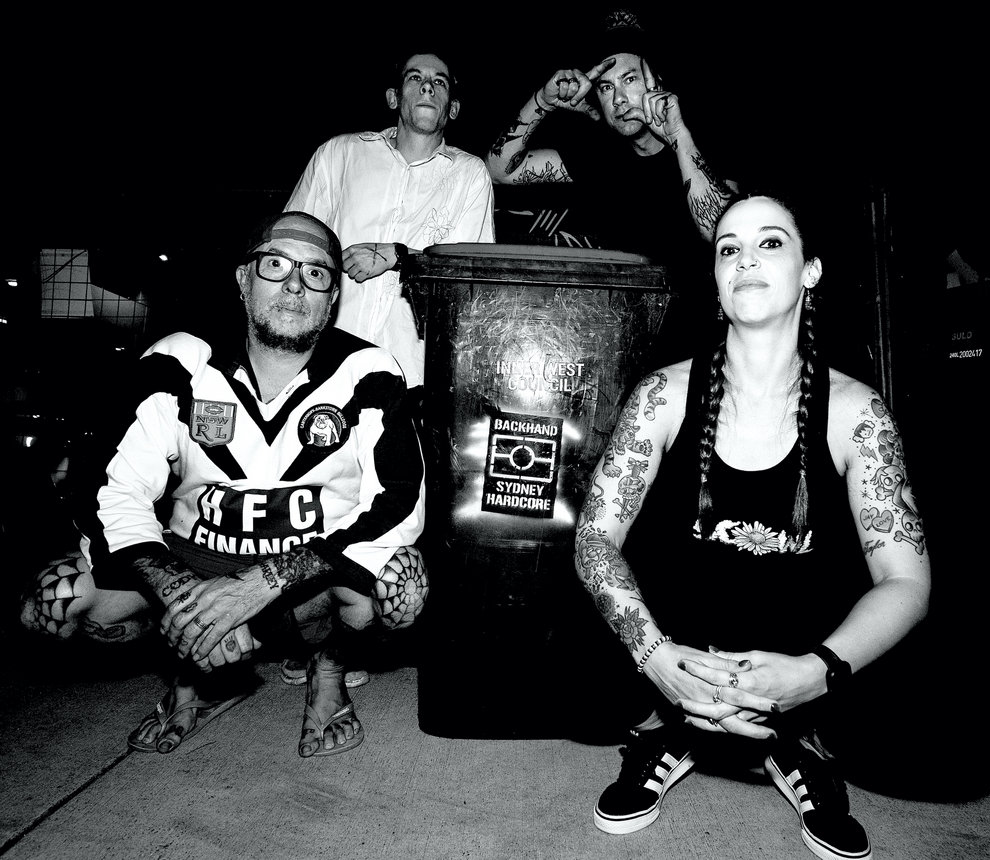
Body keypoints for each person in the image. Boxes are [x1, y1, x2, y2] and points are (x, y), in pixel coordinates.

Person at [573, 192, 932, 860]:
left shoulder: (856, 411)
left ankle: (797, 738)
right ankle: (668, 725)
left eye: (770, 242)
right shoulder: (663, 394)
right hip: (678, 643)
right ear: (715, 278)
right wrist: (656, 657)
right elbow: (596, 537)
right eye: (728, 248)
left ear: (810, 270)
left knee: (946, 703)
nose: (746, 259)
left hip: (800, 650)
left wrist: (814, 673)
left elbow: (905, 581)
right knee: (563, 636)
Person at [20, 211, 428, 758]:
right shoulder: (179, 359)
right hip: (194, 563)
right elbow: (110, 487)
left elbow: (399, 499)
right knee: (53, 600)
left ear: (333, 296)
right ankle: (197, 678)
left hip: (309, 582)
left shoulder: (368, 370)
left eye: (315, 273)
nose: (294, 285)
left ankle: (326, 671)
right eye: (276, 265)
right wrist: (185, 599)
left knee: (404, 585)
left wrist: (257, 585)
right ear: (243, 279)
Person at [485, 10, 735, 364]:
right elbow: (500, 170)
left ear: (657, 82)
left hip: (699, 354)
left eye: (629, 79)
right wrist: (542, 102)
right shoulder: (597, 156)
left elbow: (722, 232)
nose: (618, 98)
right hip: (615, 350)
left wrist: (678, 137)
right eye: (606, 87)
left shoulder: (699, 144)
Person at [286, 49, 495, 398]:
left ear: (453, 108)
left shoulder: (470, 175)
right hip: (326, 366)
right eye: (415, 78)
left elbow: (470, 282)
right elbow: (291, 246)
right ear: (393, 98)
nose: (427, 87)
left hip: (413, 378)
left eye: (439, 82)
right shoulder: (340, 154)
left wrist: (401, 257)